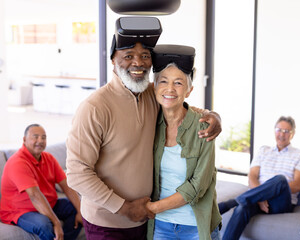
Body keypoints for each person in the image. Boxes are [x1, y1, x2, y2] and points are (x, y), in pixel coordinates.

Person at [65, 18, 221, 240]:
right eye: (128, 55)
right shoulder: (94, 107)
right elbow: (77, 174)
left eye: (145, 56)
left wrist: (212, 115)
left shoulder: (151, 94)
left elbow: (177, 100)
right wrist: (124, 207)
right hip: (107, 223)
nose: (137, 63)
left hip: (146, 222)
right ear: (113, 59)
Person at [145, 45, 221, 240]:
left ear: (189, 90)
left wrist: (152, 208)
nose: (170, 89)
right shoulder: (149, 123)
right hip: (161, 226)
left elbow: (198, 186)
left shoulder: (204, 126)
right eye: (163, 81)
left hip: (195, 225)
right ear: (154, 87)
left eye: (178, 83)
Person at [218, 116, 300, 240]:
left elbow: (298, 185)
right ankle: (240, 203)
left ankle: (232, 202)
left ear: (292, 134)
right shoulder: (263, 150)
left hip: (281, 202)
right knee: (242, 208)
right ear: (274, 131)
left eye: (286, 131)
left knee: (280, 180)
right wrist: (261, 197)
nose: (282, 134)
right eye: (279, 130)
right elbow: (252, 176)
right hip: (258, 199)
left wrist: (263, 194)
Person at [0, 124, 82, 240]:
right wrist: (56, 222)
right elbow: (34, 196)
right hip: (20, 211)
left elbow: (66, 186)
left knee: (79, 209)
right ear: (24, 140)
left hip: (48, 204)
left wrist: (80, 210)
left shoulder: (49, 158)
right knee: (44, 224)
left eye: (43, 137)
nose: (40, 141)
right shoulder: (18, 163)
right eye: (35, 137)